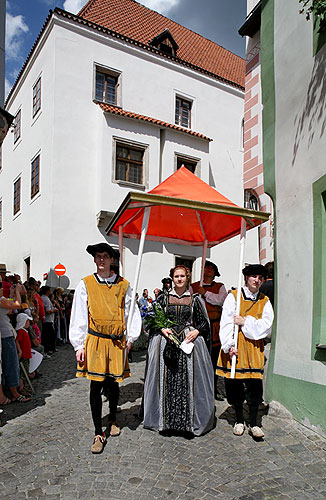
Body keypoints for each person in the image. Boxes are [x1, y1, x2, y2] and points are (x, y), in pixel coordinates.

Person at [69, 242, 141, 454]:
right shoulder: (86, 284)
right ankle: (97, 432)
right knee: (95, 386)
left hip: (117, 342)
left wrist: (131, 338)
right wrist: (78, 345)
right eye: (98, 256)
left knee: (113, 384)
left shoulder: (124, 285)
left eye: (105, 256)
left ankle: (112, 419)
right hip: (96, 341)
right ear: (95, 260)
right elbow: (79, 315)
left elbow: (131, 312)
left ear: (112, 260)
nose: (101, 260)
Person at [143, 265, 215, 436]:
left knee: (189, 380)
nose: (180, 279)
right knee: (165, 379)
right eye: (176, 276)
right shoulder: (163, 298)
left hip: (188, 344)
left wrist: (196, 331)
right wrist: (162, 329)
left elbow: (204, 323)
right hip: (166, 342)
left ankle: (187, 423)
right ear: (172, 279)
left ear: (187, 278)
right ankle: (165, 422)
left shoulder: (195, 299)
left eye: (182, 276)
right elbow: (152, 319)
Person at [216, 264, 274, 438]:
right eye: (253, 276)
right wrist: (228, 345)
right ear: (246, 278)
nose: (256, 280)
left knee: (254, 386)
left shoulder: (264, 301)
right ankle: (239, 419)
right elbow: (226, 322)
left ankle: (255, 423)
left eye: (260, 278)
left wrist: (245, 322)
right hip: (236, 345)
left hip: (254, 347)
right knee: (234, 385)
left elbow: (266, 327)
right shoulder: (234, 297)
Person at [190, 261, 227, 400]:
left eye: (212, 268)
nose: (209, 270)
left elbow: (221, 300)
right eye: (207, 268)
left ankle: (213, 389)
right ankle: (198, 389)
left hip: (215, 327)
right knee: (199, 358)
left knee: (213, 359)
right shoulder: (194, 286)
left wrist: (205, 293)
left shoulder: (220, 286)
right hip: (198, 328)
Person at [0, 279, 30, 403]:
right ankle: (14, 393)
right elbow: (17, 305)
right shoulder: (1, 299)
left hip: (6, 333)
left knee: (8, 364)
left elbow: (11, 309)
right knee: (11, 364)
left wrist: (12, 294)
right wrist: (17, 291)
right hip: (5, 334)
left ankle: (12, 391)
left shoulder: (2, 299)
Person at [41, 286, 58, 356]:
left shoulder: (44, 298)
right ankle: (48, 349)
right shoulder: (46, 299)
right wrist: (54, 310)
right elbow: (48, 311)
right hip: (48, 320)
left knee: (49, 335)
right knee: (49, 336)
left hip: (48, 320)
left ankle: (49, 349)